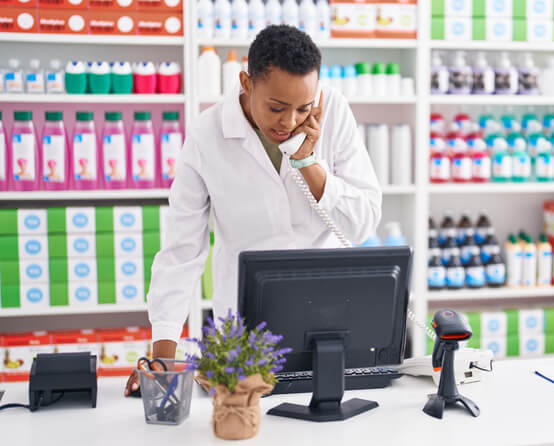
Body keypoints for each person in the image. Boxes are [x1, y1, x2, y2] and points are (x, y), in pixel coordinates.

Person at [125, 25, 382, 396]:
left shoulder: (335, 110)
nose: (289, 122)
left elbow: (361, 223)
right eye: (276, 107)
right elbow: (182, 250)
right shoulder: (206, 134)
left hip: (327, 324)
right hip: (245, 335)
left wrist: (307, 160)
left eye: (303, 109)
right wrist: (162, 358)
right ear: (246, 83)